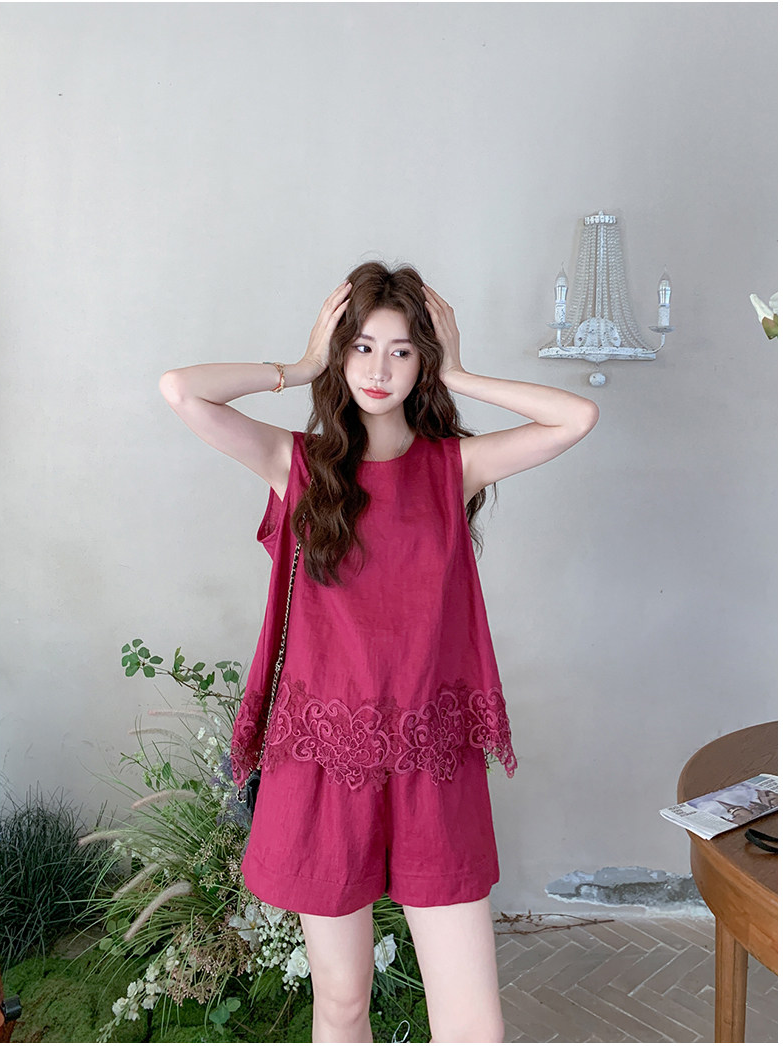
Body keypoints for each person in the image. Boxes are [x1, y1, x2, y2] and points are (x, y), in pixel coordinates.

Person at [159, 261, 598, 1043]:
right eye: (361, 347)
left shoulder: (454, 467)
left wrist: (461, 372)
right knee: (341, 1003)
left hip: (433, 763)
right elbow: (181, 391)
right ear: (340, 353)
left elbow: (576, 417)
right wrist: (298, 366)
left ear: (423, 361)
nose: (379, 369)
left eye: (401, 351)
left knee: (474, 1026)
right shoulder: (297, 463)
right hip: (326, 766)